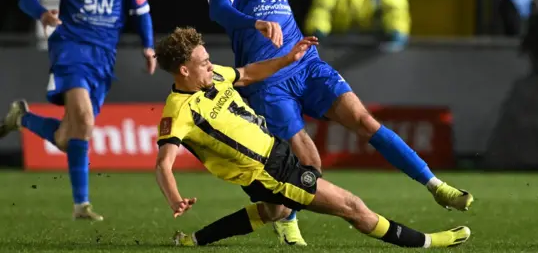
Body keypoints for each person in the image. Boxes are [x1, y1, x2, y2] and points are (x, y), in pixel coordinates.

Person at [206, 0, 473, 245]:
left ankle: (436, 186)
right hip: (268, 80)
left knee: (365, 122)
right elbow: (219, 10)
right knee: (309, 162)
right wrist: (254, 23)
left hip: (306, 65)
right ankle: (288, 221)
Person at [153, 27, 472, 249]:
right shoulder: (178, 112)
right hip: (269, 173)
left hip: (274, 152)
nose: (210, 65)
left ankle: (193, 241)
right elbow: (164, 164)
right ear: (184, 71)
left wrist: (288, 60)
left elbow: (248, 73)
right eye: (204, 62)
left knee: (274, 212)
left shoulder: (216, 76)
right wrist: (174, 198)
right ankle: (429, 242)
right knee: (352, 206)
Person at [0, 0, 155, 221]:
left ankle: (24, 119)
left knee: (67, 136)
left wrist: (149, 47)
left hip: (103, 58)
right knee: (84, 120)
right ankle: (81, 205)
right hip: (70, 50)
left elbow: (142, 13)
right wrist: (42, 13)